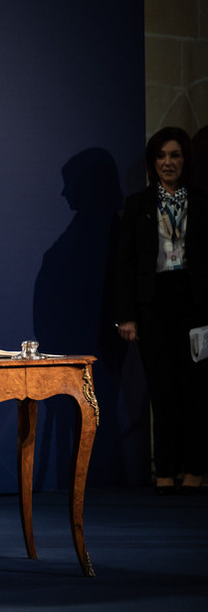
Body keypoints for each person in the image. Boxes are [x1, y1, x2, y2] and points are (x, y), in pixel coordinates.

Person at [114, 126, 208, 495]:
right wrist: (126, 316)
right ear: (153, 162)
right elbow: (124, 263)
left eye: (175, 156)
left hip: (197, 306)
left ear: (185, 161)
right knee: (162, 391)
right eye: (161, 156)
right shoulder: (138, 204)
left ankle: (196, 470)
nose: (168, 163)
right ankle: (165, 471)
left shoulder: (202, 203)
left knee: (197, 391)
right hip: (153, 306)